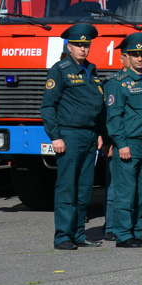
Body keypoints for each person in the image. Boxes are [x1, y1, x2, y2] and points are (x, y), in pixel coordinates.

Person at [41, 24, 106, 250]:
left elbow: (96, 105)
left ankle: (79, 234)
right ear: (69, 46)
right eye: (78, 45)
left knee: (85, 187)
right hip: (69, 135)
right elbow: (48, 106)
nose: (83, 49)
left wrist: (98, 132)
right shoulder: (60, 70)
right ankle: (63, 237)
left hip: (89, 136)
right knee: (67, 187)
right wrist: (55, 136)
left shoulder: (91, 70)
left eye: (86, 45)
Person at [104, 33, 142, 249]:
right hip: (128, 144)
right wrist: (121, 143)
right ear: (127, 57)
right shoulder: (118, 84)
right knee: (125, 192)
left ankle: (137, 230)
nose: (140, 59)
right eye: (135, 55)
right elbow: (114, 116)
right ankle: (123, 234)